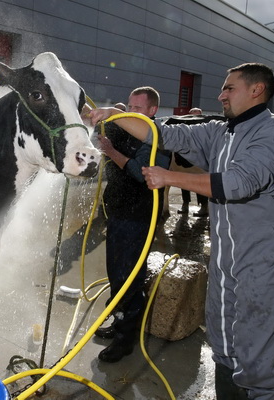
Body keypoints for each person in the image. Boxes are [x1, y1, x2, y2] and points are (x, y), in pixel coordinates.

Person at [89, 63, 274, 399]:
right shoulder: (221, 132)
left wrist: (169, 178)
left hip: (269, 260)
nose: (221, 94)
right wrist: (111, 115)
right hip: (226, 257)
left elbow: (240, 183)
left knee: (260, 351)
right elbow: (161, 132)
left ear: (257, 90)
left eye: (229, 88)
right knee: (222, 339)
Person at [93, 87, 171, 363]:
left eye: (137, 109)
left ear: (152, 112)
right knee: (116, 274)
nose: (130, 112)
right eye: (128, 106)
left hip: (140, 219)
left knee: (130, 278)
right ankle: (117, 321)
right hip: (118, 214)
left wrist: (111, 151)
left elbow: (141, 173)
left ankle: (125, 340)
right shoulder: (125, 129)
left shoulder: (159, 137)